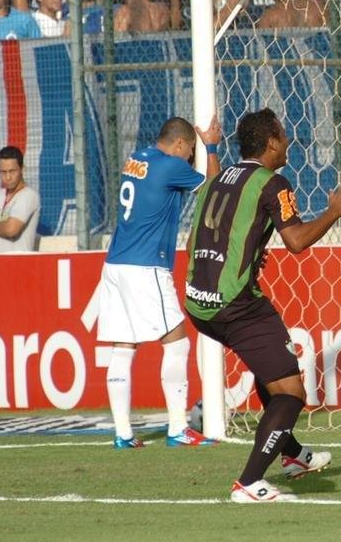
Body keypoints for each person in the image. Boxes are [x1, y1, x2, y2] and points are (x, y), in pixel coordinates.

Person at [186, 108, 341, 502]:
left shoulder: (218, 179)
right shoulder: (273, 183)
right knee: (290, 394)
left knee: (275, 376)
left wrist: (210, 146)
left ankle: (293, 455)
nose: (288, 142)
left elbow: (217, 200)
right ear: (270, 143)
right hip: (237, 304)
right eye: (283, 136)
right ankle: (248, 483)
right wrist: (334, 211)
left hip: (199, 302)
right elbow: (296, 241)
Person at [97, 116, 222, 448]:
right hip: (146, 266)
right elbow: (215, 187)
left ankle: (123, 434)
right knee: (177, 343)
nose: (189, 156)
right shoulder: (169, 166)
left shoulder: (136, 158)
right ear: (180, 144)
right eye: (190, 150)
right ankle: (178, 429)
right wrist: (210, 146)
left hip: (115, 264)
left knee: (123, 348)